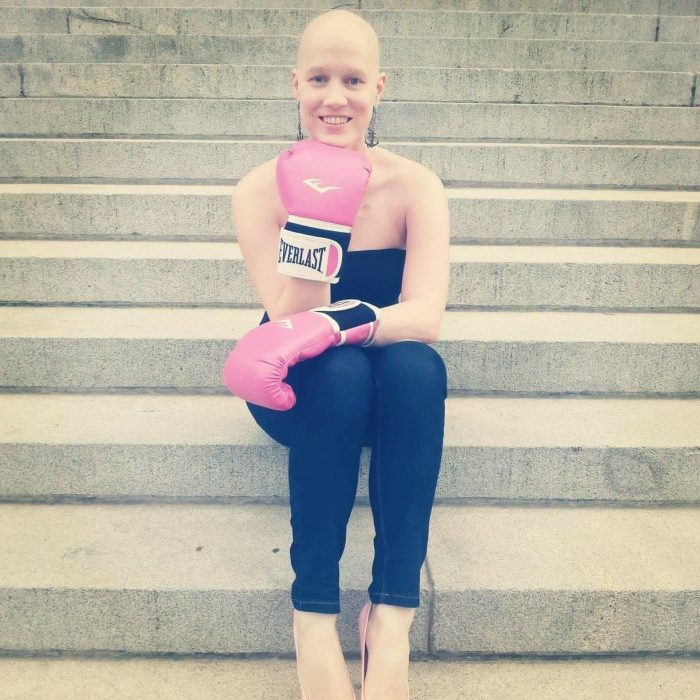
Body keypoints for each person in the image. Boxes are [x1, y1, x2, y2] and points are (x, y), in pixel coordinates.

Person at [229, 9, 449, 700]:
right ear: (295, 84)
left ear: (379, 87)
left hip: (389, 390)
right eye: (319, 78)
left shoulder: (417, 186)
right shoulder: (256, 190)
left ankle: (391, 619)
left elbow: (425, 317)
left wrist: (342, 325)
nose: (335, 97)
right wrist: (317, 220)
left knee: (417, 368)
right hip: (300, 395)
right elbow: (288, 319)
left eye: (352, 79)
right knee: (344, 372)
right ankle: (313, 617)